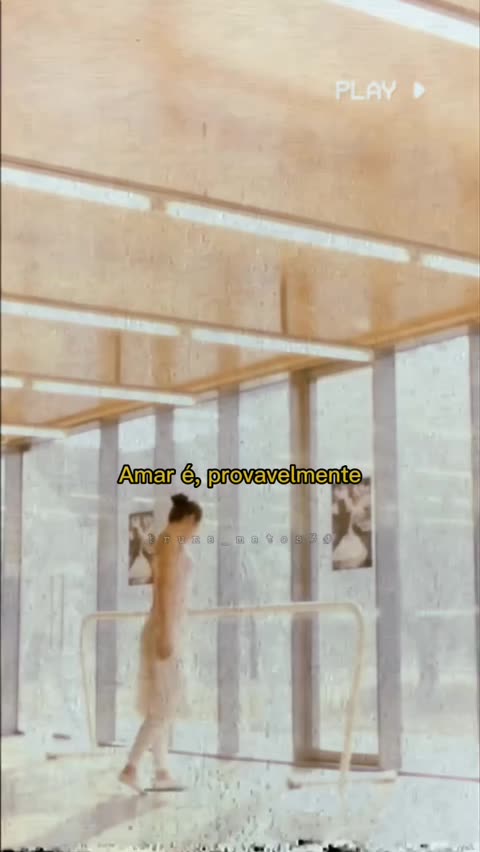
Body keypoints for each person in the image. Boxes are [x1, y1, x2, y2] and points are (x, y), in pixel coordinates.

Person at [119, 493, 202, 792]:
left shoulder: (170, 543)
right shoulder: (168, 543)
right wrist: (166, 632)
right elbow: (164, 590)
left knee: (162, 703)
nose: (195, 534)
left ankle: (161, 771)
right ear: (189, 520)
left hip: (168, 627)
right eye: (196, 528)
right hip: (164, 629)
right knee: (164, 705)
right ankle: (131, 766)